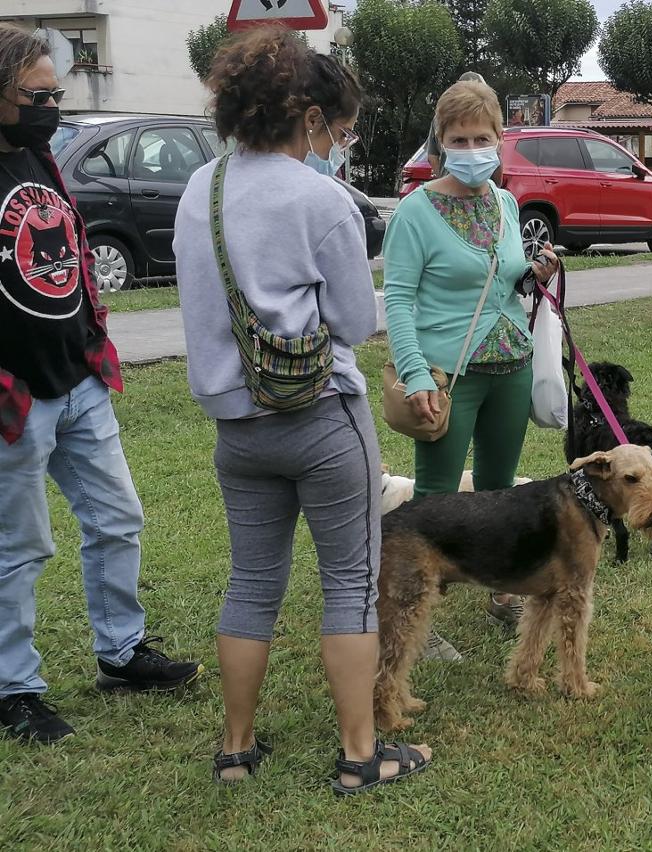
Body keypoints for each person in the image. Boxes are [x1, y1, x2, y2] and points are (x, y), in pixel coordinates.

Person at [173, 27, 429, 792]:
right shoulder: (320, 198)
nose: (339, 144)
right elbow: (353, 322)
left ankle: (236, 749)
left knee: (251, 582)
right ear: (308, 117)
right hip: (321, 419)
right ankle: (360, 755)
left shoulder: (201, 190)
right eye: (339, 130)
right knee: (349, 582)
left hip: (237, 428)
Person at [0, 25, 203, 744]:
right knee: (19, 548)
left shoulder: (39, 156)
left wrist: (93, 339)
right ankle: (14, 689)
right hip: (14, 397)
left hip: (77, 378)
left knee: (118, 518)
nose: (53, 104)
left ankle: (121, 653)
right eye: (39, 93)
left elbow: (70, 251)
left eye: (57, 92)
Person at [383, 80, 560, 661]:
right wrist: (413, 377)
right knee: (433, 501)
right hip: (445, 375)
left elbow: (502, 279)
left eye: (482, 137)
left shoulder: (505, 203)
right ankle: (415, 613)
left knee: (499, 491)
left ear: (500, 140)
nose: (471, 147)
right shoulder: (415, 211)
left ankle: (502, 592)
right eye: (459, 138)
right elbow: (399, 300)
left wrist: (533, 270)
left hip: (510, 365)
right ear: (441, 143)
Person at [425, 71, 501, 184]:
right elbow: (498, 157)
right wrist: (497, 188)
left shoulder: (440, 118)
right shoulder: (488, 116)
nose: (471, 150)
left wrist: (441, 178)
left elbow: (432, 156)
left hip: (449, 184)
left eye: (481, 139)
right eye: (459, 140)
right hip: (483, 184)